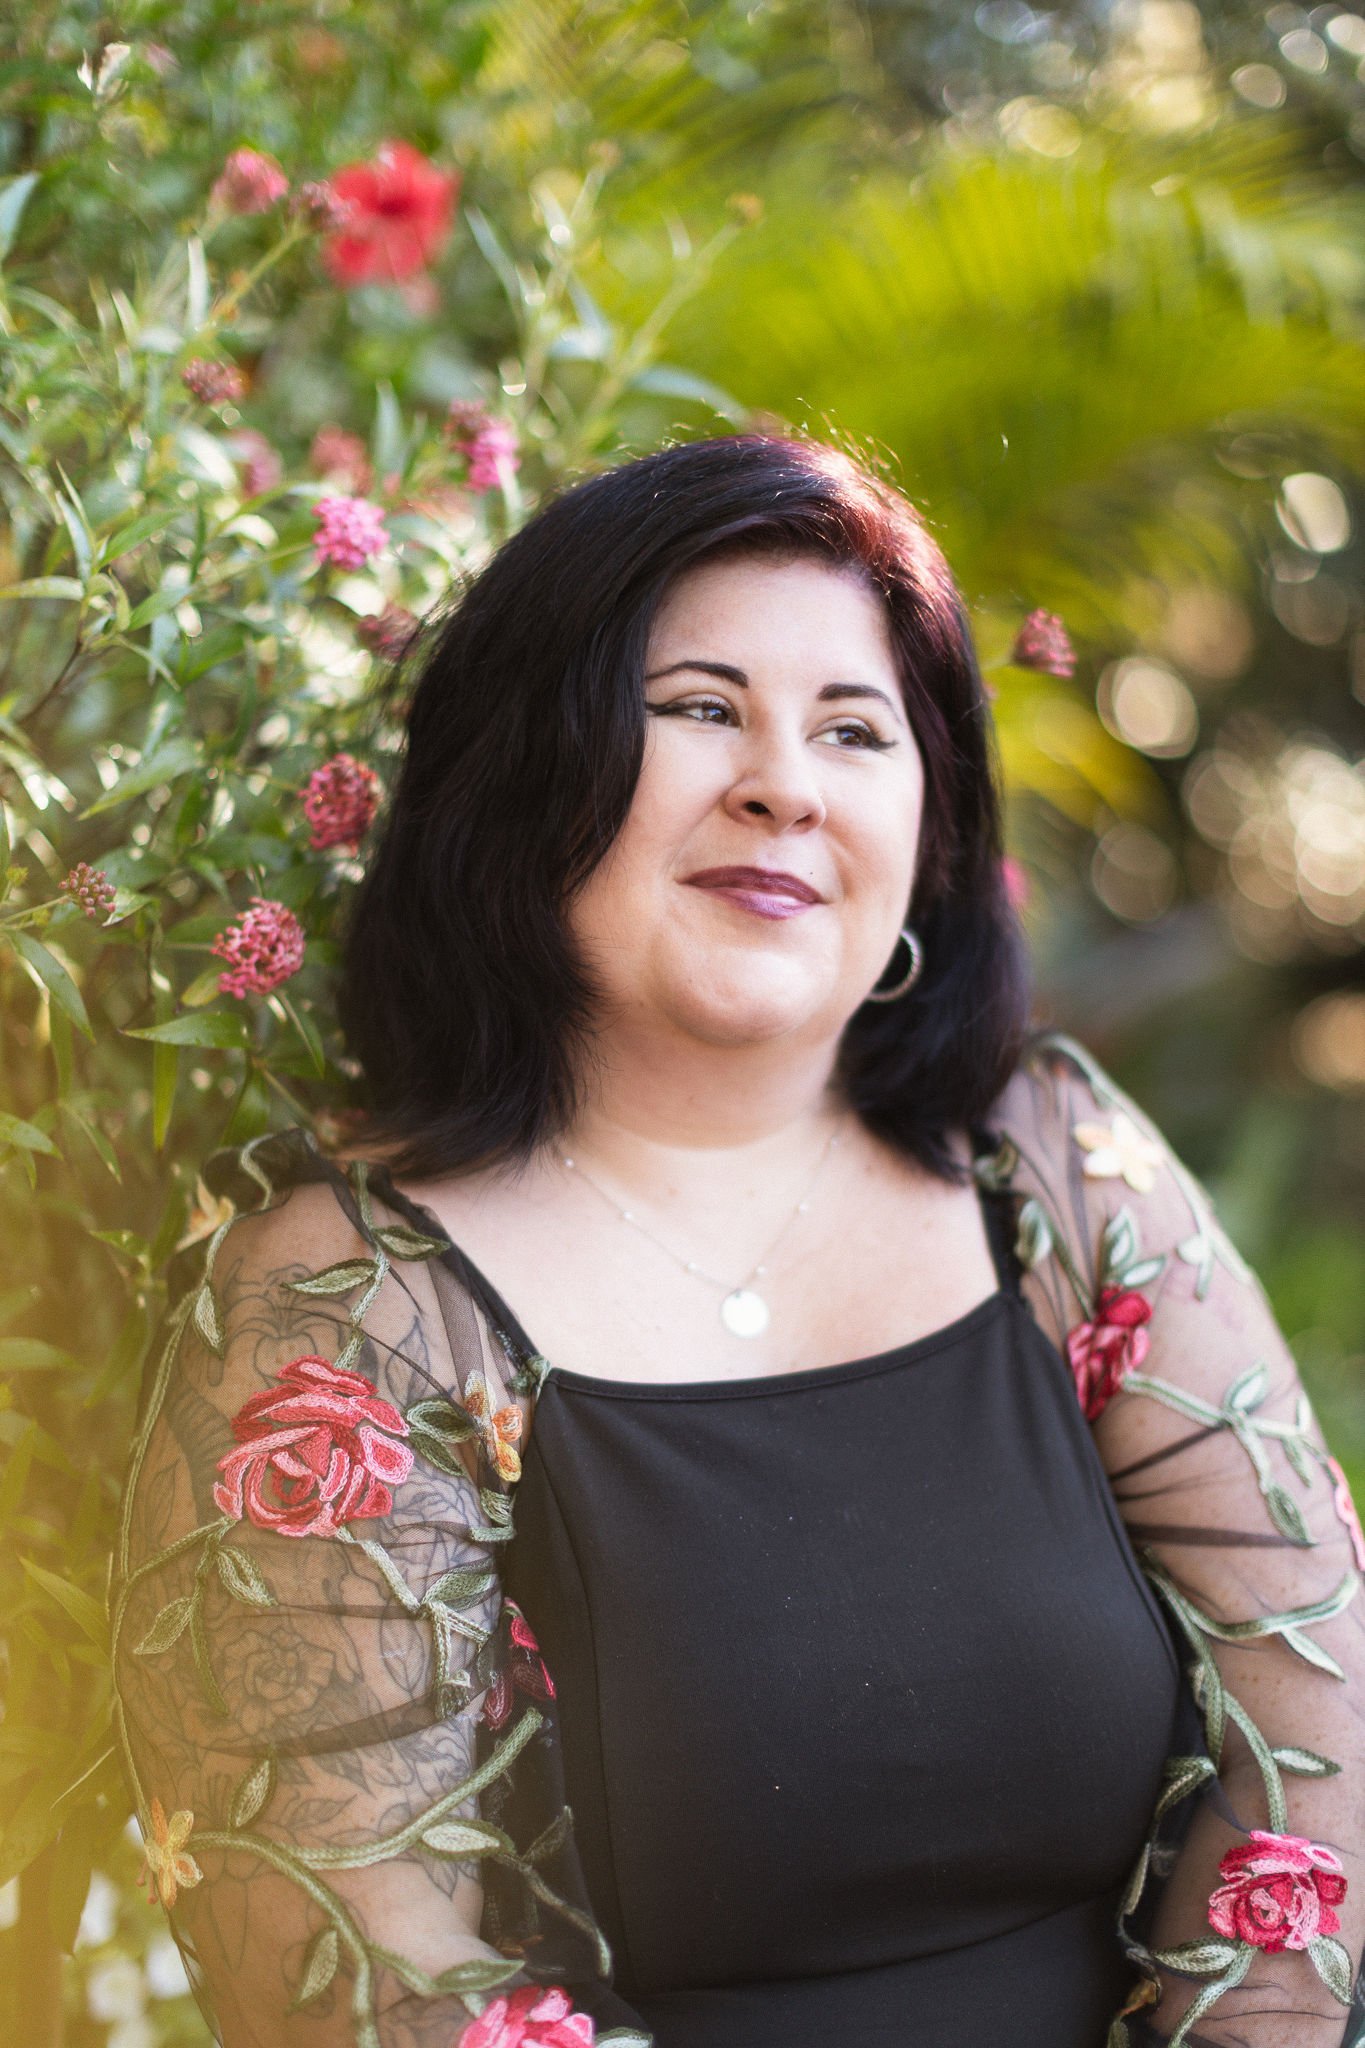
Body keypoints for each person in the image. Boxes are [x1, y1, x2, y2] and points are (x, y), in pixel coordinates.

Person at [110, 435, 1365, 2048]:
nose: (784, 780)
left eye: (854, 729)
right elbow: (365, 1972)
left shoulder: (1050, 1163)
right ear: (523, 776)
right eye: (700, 707)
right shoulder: (346, 1310)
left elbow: (1317, 1738)